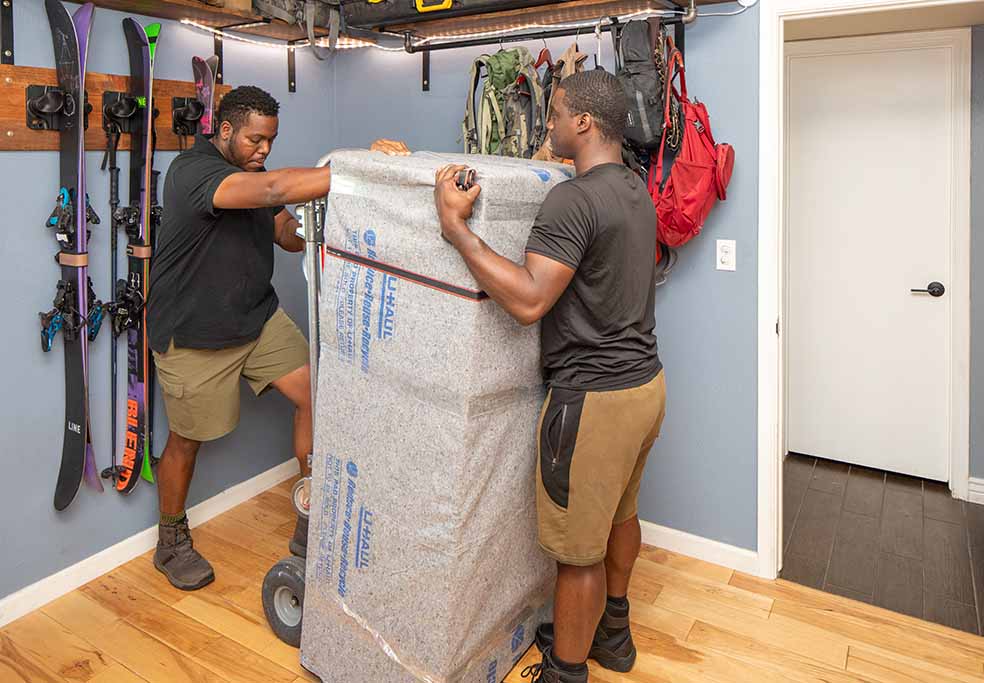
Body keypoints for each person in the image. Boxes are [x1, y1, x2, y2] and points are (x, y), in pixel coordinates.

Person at [434, 70, 665, 682]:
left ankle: (565, 671)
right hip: (645, 385)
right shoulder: (634, 187)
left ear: (583, 123)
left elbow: (531, 300)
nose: (549, 124)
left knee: (576, 554)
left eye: (557, 114)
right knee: (619, 516)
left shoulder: (572, 199)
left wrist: (456, 228)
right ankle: (611, 634)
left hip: (594, 399)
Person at [147, 85, 407, 591]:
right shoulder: (193, 174)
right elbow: (271, 193)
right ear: (224, 131)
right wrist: (357, 172)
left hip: (256, 319)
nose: (264, 151)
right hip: (195, 333)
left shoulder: (253, 174)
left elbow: (287, 234)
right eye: (255, 140)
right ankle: (170, 540)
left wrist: (331, 227)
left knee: (316, 396)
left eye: (270, 141)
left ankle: (311, 510)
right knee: (188, 440)